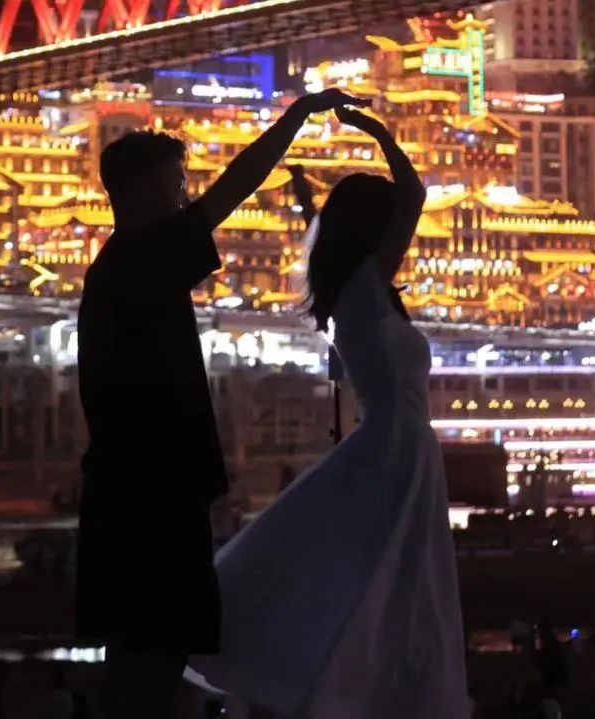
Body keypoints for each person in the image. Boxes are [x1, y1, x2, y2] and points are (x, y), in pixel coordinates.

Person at [75, 88, 368, 719]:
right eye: (174, 185)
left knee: (135, 660)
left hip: (128, 491)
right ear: (139, 191)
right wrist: (296, 115)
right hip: (152, 494)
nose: (184, 197)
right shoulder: (143, 260)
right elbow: (234, 188)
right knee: (155, 659)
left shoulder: (115, 268)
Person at [189, 106, 467, 717]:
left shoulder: (356, 290)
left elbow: (340, 221)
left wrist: (309, 201)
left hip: (395, 447)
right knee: (396, 581)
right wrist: (375, 130)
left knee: (376, 578)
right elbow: (414, 193)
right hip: (397, 450)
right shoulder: (365, 286)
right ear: (373, 229)